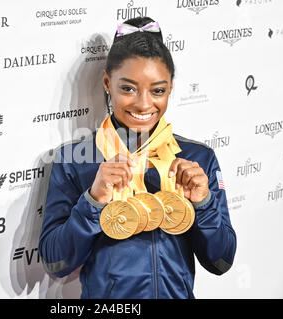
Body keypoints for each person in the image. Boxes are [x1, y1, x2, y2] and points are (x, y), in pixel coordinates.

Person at [38, 16, 237, 299]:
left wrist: (203, 204)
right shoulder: (75, 160)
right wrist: (92, 201)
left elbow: (222, 261)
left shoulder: (197, 158)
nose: (144, 104)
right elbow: (55, 262)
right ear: (108, 83)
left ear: (170, 87)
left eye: (157, 90)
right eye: (128, 88)